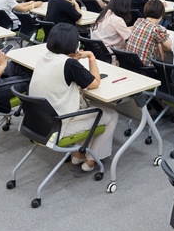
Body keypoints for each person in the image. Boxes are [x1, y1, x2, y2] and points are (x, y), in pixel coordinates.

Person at [28, 23, 119, 176]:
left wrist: (73, 63)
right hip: (57, 126)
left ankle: (78, 156)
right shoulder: (69, 64)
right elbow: (95, 82)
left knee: (86, 110)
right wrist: (91, 56)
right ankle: (91, 162)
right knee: (111, 115)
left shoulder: (44, 57)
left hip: (37, 122)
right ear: (73, 44)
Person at [126, 0, 172, 66]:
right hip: (145, 68)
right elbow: (171, 47)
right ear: (162, 14)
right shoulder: (157, 29)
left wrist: (159, 42)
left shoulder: (139, 21)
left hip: (130, 65)